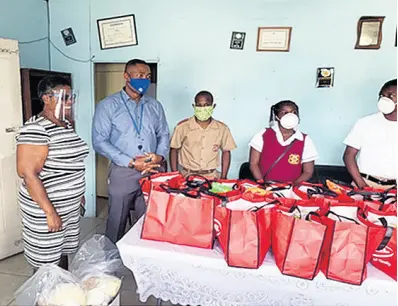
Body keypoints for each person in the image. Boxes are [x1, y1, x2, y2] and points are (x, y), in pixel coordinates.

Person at [92, 59, 170, 243]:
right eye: (140, 75)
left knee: (149, 221)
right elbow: (99, 141)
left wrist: (160, 156)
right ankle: (110, 263)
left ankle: (141, 262)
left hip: (152, 171)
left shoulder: (154, 106)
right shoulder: (107, 106)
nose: (145, 79)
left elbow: (164, 134)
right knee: (116, 221)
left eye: (148, 76)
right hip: (124, 171)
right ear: (126, 77)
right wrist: (131, 161)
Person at [16, 76, 89, 271]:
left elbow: (71, 162)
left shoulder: (65, 124)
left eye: (71, 97)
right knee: (46, 261)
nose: (70, 101)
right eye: (64, 97)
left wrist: (78, 194)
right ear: (46, 98)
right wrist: (50, 212)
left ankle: (62, 291)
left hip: (68, 206)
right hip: (46, 209)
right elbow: (28, 174)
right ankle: (45, 299)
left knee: (62, 252)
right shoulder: (36, 128)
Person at [343, 79, 397, 189]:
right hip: (365, 183)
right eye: (382, 95)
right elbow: (348, 156)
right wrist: (362, 185)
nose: (384, 99)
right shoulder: (365, 123)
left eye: (391, 96)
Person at [170, 91, 237, 179]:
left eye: (206, 105)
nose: (203, 108)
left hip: (212, 176)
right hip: (187, 175)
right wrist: (175, 175)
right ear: (194, 106)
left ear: (213, 106)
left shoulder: (222, 128)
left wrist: (224, 176)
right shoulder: (183, 127)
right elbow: (174, 150)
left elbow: (226, 152)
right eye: (199, 105)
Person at [249, 100, 318, 184]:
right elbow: (253, 164)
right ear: (276, 116)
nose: (290, 116)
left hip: (292, 190)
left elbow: (308, 172)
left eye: (294, 113)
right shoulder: (263, 134)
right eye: (284, 113)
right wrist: (262, 183)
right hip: (265, 187)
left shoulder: (305, 140)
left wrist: (292, 187)